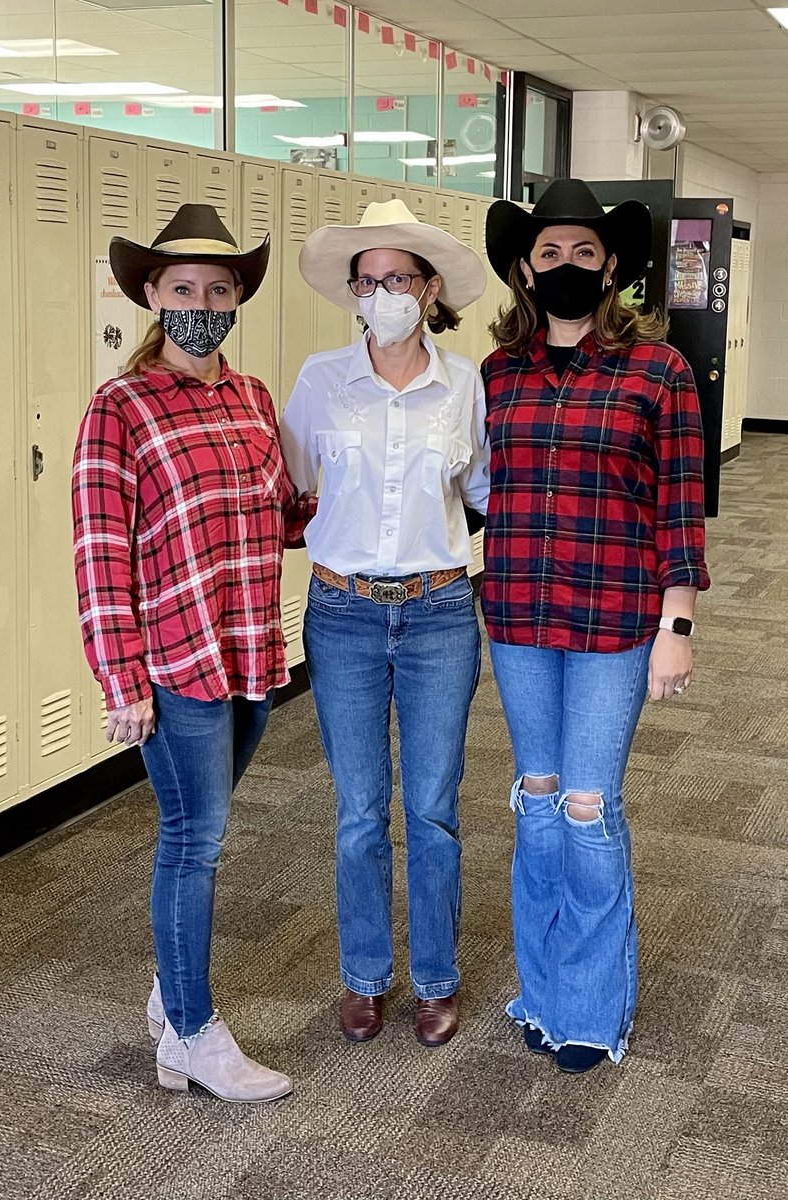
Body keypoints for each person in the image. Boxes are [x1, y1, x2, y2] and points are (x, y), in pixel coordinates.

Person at [72, 203, 315, 1102]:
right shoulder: (119, 407)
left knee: (202, 832)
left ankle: (171, 993)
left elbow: (285, 515)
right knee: (195, 841)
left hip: (249, 647)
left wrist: (380, 498)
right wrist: (120, 676)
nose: (201, 303)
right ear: (150, 295)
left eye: (219, 289)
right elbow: (99, 549)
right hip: (174, 662)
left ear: (237, 299)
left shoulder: (251, 398)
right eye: (183, 289)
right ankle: (192, 1031)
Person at [481, 179, 710, 1074]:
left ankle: (588, 1010)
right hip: (519, 616)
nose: (566, 266)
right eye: (549, 253)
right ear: (525, 270)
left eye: (583, 252)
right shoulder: (500, 372)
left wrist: (677, 621)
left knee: (586, 807)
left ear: (610, 266)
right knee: (536, 801)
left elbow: (680, 505)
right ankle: (539, 993)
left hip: (617, 618)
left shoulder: (658, 371)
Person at [280, 200, 489, 1048]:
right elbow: (292, 491)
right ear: (354, 295)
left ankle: (435, 979)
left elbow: (478, 498)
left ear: (429, 287)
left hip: (440, 612)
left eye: (398, 278)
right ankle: (365, 977)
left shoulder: (463, 382)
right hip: (343, 614)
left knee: (433, 809)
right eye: (368, 282)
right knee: (361, 809)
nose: (383, 293)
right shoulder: (318, 379)